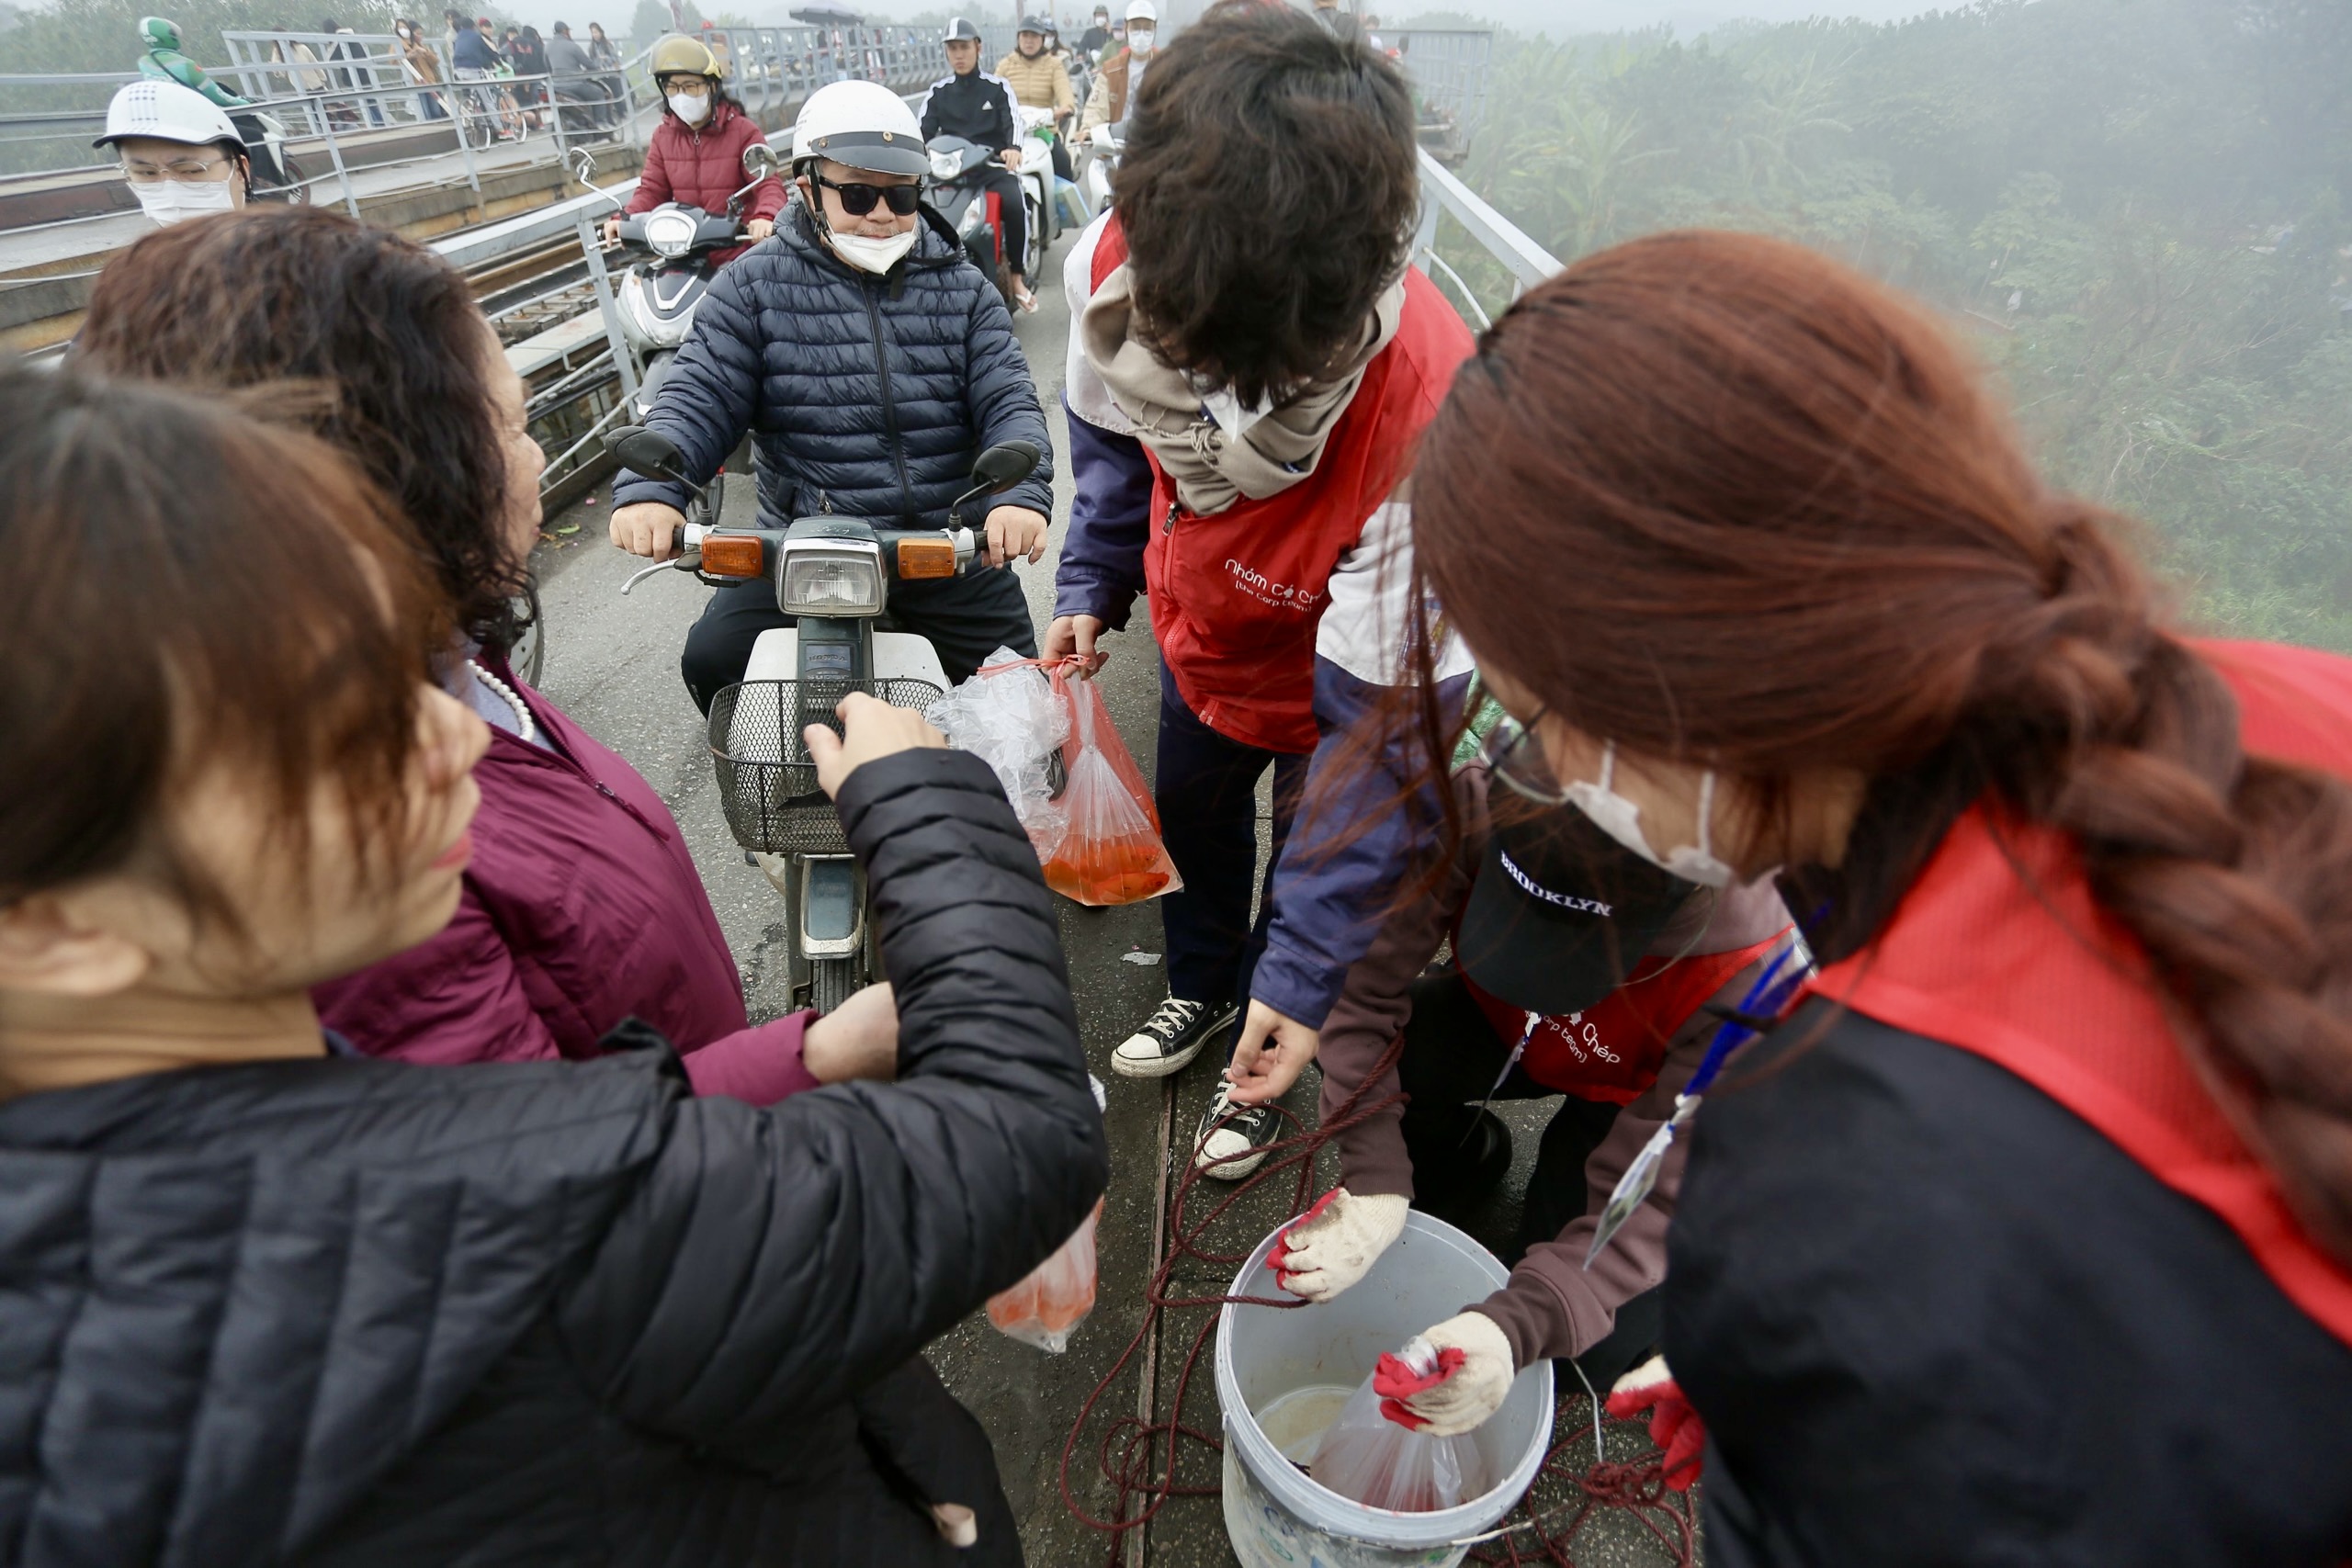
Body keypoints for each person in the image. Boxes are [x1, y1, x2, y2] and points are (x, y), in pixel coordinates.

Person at [0, 362, 1106, 1565]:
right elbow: (1023, 1129)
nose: (452, 736)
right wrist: (924, 795)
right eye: (342, 716)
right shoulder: (503, 1212)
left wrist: (805, 1047)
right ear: (47, 922)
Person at [1378, 228, 2352, 1554]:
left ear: (1679, 693)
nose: (1544, 761)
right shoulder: (2268, 703)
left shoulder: (1846, 1154)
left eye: (1547, 710)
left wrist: (1794, 1408)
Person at [70, 201, 847, 1104]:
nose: (538, 462)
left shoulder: (453, 653)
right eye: (514, 427)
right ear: (409, 476)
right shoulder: (354, 856)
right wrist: (824, 1053)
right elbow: (544, 1166)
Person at [1055, 1, 1473, 1178]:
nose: (1206, 392)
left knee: (1306, 863)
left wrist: (1301, 978)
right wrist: (1093, 580)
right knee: (1192, 826)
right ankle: (1198, 988)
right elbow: (1105, 455)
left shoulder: (1426, 417)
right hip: (1202, 645)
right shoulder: (1112, 274)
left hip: (1329, 692)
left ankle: (1261, 1040)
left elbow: (1379, 733)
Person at [1260, 745, 1796, 1404]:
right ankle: (1460, 1162)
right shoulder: (1478, 799)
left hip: (1632, 1096)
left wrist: (1517, 1327)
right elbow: (1363, 988)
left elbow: (1656, 1191)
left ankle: (1673, 1292)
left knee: (1576, 1358)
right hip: (1499, 1020)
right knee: (1402, 1051)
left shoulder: (1750, 973)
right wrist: (1374, 1174)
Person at [607, 80, 1053, 710]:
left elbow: (1010, 402)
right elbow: (698, 393)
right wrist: (655, 491)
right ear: (807, 188)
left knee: (1022, 708)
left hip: (943, 551)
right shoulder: (750, 289)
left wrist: (1016, 498)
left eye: (901, 195)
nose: (881, 213)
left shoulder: (966, 292)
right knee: (713, 659)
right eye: (859, 192)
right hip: (805, 554)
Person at [602, 34, 783, 264]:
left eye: (691, 86)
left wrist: (765, 216)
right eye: (673, 88)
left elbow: (768, 183)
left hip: (739, 254)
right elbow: (652, 191)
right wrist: (624, 220)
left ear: (712, 86)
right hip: (686, 256)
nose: (682, 96)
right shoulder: (663, 137)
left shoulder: (743, 131)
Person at [922, 17, 1035, 311]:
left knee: (1014, 202)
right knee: (917, 209)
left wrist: (1013, 149)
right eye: (952, 48)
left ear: (978, 48)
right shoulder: (937, 93)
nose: (959, 54)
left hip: (991, 170)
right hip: (951, 174)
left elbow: (1013, 123)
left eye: (964, 47)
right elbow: (920, 134)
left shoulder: (997, 87)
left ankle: (1018, 276)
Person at [132, 16, 295, 191]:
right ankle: (263, 182)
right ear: (171, 36)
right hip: (200, 125)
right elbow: (219, 97)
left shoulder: (144, 64)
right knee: (255, 136)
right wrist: (243, 102)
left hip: (172, 124)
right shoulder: (186, 65)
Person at [96, 78, 254, 226]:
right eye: (146, 173)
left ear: (240, 172)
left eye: (191, 170)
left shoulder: (275, 250)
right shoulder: (145, 255)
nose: (170, 190)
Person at [998, 14, 1076, 190]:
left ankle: (1066, 211)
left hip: (1044, 130)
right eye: (1025, 36)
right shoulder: (1006, 64)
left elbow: (1065, 94)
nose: (1029, 41)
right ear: (1018, 38)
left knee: (1063, 160)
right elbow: (992, 95)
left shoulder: (1054, 64)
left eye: (1034, 36)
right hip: (1012, 134)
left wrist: (1065, 107)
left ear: (1042, 39)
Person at [1076, 0, 1155, 142]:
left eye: (1147, 28)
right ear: (1126, 28)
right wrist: (1088, 129)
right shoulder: (1111, 69)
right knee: (1096, 165)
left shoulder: (1166, 66)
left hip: (1156, 145)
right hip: (1117, 145)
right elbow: (1097, 106)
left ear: (1155, 28)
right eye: (1136, 28)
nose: (1141, 34)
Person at [448, 12, 509, 136]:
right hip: (473, 71)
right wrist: (502, 65)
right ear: (473, 27)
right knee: (487, 100)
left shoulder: (457, 38)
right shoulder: (476, 37)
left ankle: (480, 122)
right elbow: (489, 53)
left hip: (458, 72)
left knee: (471, 98)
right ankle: (500, 130)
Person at [393, 17, 447, 120]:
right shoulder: (398, 45)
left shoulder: (421, 46)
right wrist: (408, 56)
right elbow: (394, 62)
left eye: (421, 33)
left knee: (435, 111)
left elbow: (435, 61)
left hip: (430, 81)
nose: (420, 36)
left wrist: (425, 52)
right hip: (416, 83)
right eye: (418, 33)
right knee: (424, 112)